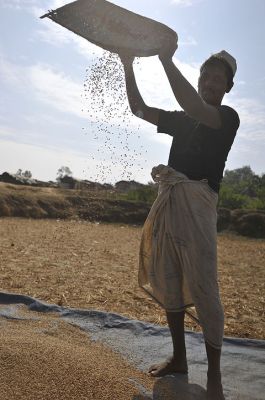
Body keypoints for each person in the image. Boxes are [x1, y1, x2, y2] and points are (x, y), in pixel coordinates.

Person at [119, 39, 239, 400]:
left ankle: (214, 376)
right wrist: (128, 64)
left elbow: (193, 104)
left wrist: (164, 59)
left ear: (228, 87)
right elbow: (138, 109)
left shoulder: (227, 118)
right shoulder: (183, 120)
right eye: (207, 76)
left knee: (204, 286)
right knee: (169, 276)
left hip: (199, 205)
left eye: (219, 79)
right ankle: (180, 359)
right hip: (170, 201)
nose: (211, 83)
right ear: (200, 78)